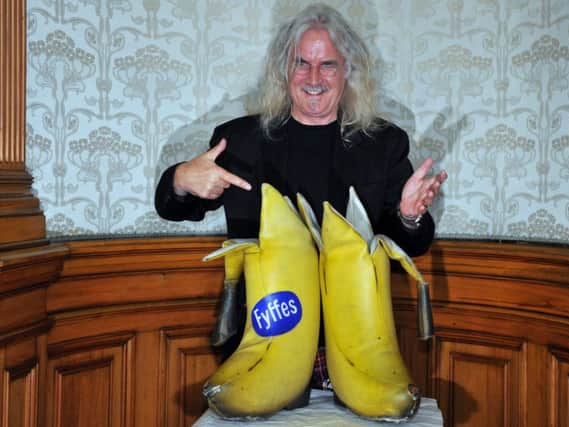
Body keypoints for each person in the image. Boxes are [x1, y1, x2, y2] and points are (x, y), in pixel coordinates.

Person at [155, 2, 447, 392]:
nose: (314, 77)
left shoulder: (383, 144)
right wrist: (180, 179)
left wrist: (409, 215)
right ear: (283, 71)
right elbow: (172, 207)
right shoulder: (241, 141)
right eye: (300, 63)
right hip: (265, 337)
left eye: (328, 64)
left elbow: (415, 241)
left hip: (357, 344)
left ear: (348, 72)